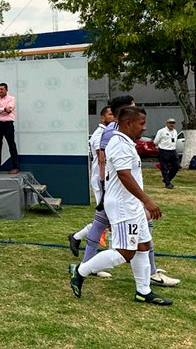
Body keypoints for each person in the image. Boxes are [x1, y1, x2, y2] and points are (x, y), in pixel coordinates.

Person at [69, 106, 173, 306]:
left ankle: (143, 291)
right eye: (141, 123)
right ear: (127, 123)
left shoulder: (125, 142)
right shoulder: (120, 144)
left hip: (131, 204)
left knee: (143, 246)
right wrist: (147, 201)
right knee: (125, 252)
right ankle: (80, 271)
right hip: (124, 206)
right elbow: (124, 175)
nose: (144, 128)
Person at [67, 106, 113, 270]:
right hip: (103, 181)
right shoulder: (100, 135)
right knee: (107, 219)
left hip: (110, 181)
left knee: (107, 220)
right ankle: (102, 258)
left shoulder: (112, 132)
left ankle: (77, 237)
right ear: (102, 118)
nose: (113, 117)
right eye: (110, 114)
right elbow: (102, 159)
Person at [0, 83, 19, 174]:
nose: (0, 91)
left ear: (6, 90)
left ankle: (15, 167)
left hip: (8, 124)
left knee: (11, 145)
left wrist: (0, 110)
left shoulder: (11, 99)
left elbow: (9, 110)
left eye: (2, 89)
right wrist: (3, 109)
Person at [154, 118, 180, 189]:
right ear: (167, 123)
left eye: (173, 123)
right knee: (164, 167)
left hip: (173, 151)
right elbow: (156, 141)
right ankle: (167, 183)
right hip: (164, 151)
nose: (172, 124)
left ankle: (167, 179)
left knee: (176, 166)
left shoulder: (175, 131)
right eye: (170, 123)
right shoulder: (161, 131)